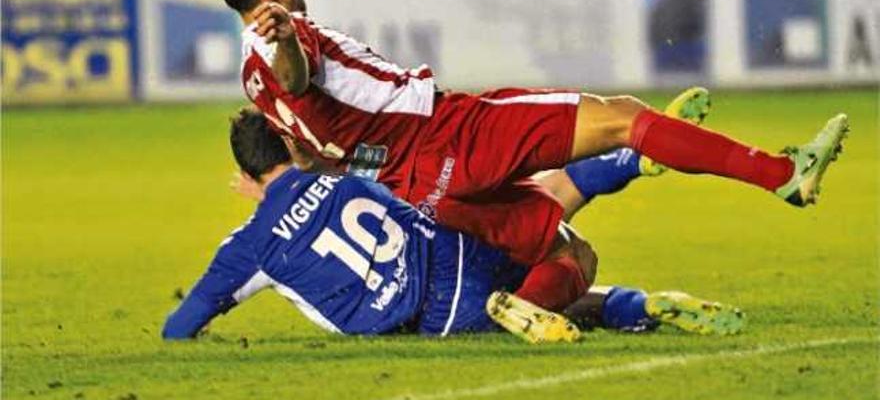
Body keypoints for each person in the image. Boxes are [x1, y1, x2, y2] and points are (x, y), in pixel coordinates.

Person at [215, 0, 848, 274]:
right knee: (624, 117)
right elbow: (297, 77)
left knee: (568, 255)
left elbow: (311, 143)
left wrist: (279, 186)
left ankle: (527, 312)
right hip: (448, 134)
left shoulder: (251, 80)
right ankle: (784, 174)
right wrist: (289, 39)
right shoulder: (281, 46)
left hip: (411, 186)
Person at [163, 109, 744, 343]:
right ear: (293, 141)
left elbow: (179, 328)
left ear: (245, 173)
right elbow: (381, 171)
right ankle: (628, 163)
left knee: (533, 254)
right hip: (452, 262)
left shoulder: (247, 248)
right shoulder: (349, 166)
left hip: (430, 325)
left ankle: (626, 174)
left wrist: (264, 203)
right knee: (564, 249)